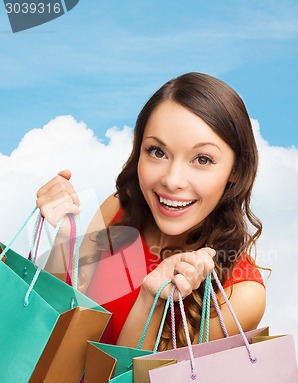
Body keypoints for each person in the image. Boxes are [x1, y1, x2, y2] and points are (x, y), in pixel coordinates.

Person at [36, 72, 266, 351]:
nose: (172, 180)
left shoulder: (240, 294)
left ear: (236, 170)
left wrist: (152, 301)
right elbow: (49, 318)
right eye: (157, 152)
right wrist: (63, 237)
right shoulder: (119, 207)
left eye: (202, 159)